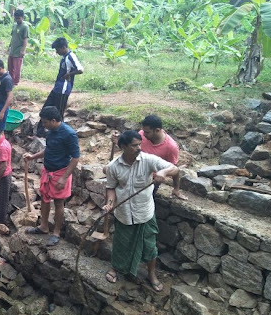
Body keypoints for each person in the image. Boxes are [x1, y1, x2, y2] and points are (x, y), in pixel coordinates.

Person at [102, 130, 179, 292]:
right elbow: (111, 188)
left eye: (139, 144)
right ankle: (116, 268)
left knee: (150, 246)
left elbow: (174, 169)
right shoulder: (113, 167)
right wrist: (110, 204)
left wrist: (163, 172)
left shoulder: (148, 160)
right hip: (123, 213)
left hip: (144, 212)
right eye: (134, 145)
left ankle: (151, 274)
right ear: (123, 146)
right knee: (121, 245)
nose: (139, 148)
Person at [24, 106, 80, 246]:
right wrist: (33, 156)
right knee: (44, 198)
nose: (44, 125)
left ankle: (56, 232)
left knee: (59, 203)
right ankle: (43, 226)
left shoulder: (69, 134)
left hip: (60, 172)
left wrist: (64, 177)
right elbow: (49, 149)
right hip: (48, 170)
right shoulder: (51, 132)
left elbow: (75, 158)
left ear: (54, 120)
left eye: (45, 122)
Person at [36, 37, 83, 137]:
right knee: (46, 108)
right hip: (57, 87)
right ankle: (40, 132)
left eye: (57, 49)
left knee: (59, 112)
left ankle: (60, 134)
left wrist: (69, 74)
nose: (56, 52)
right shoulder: (64, 57)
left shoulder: (71, 56)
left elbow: (80, 69)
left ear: (63, 47)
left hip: (63, 89)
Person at [139, 115, 188, 200]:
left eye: (147, 132)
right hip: (134, 174)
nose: (143, 134)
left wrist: (176, 188)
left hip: (151, 182)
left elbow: (174, 169)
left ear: (157, 130)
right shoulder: (141, 135)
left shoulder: (171, 147)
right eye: (144, 131)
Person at [7, 9, 28, 86]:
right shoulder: (15, 25)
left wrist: (23, 50)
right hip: (12, 50)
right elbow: (13, 37)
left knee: (17, 68)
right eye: (16, 18)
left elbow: (25, 39)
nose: (17, 20)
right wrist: (9, 46)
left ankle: (15, 82)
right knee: (10, 67)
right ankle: (10, 81)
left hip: (18, 51)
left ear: (22, 18)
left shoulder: (25, 27)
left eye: (19, 18)